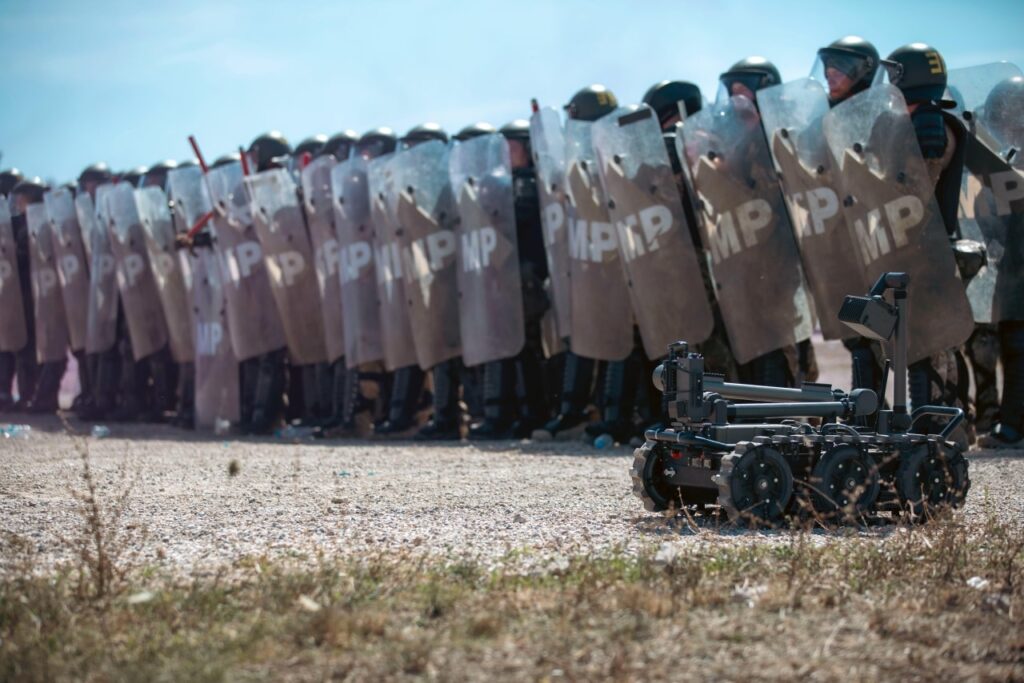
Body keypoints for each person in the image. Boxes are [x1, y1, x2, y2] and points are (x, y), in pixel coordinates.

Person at [885, 43, 972, 439]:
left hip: (926, 253)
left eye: (895, 74)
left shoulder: (930, 126)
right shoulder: (914, 122)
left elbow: (911, 195)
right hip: (917, 252)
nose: (889, 82)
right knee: (926, 345)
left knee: (930, 346)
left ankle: (937, 433)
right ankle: (940, 431)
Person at [468, 119, 551, 439]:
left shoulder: (526, 183)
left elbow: (514, 218)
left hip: (524, 276)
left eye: (513, 146)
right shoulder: (504, 183)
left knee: (525, 347)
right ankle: (506, 414)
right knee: (506, 346)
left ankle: (529, 414)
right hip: (503, 277)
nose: (507, 152)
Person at [976, 75, 1024, 447]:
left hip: (1018, 270)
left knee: (1017, 343)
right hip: (1012, 268)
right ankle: (1010, 423)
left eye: (1002, 116)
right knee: (1012, 340)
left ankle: (1013, 427)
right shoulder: (1012, 159)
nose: (999, 125)